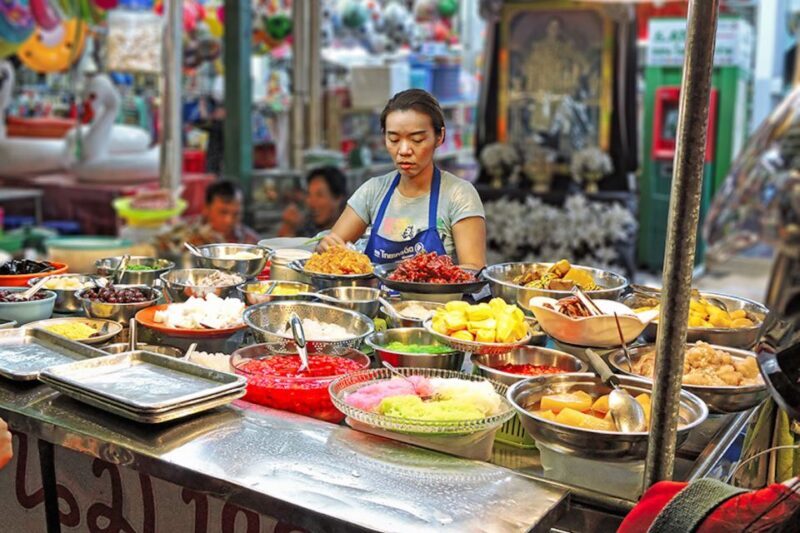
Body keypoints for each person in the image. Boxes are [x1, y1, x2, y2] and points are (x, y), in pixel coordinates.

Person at [318, 89, 486, 268]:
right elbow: (331, 250)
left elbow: (473, 270)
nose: (404, 150)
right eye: (394, 139)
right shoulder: (373, 191)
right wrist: (325, 247)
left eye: (417, 139)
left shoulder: (459, 195)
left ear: (440, 137)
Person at [154, 180, 260, 253]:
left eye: (236, 214)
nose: (229, 220)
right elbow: (160, 248)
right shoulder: (185, 231)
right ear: (206, 208)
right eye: (223, 212)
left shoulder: (251, 242)